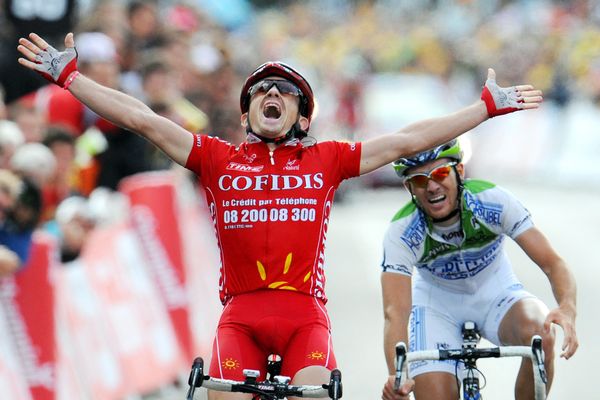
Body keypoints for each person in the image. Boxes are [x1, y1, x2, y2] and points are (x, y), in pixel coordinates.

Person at [17, 32, 543, 400]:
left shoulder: (326, 159)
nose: (273, 94)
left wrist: (484, 108)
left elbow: (407, 140)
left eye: (285, 92)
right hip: (240, 317)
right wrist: (71, 78)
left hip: (304, 319)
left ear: (302, 115)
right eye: (262, 91)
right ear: (245, 113)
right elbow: (143, 120)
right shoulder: (216, 158)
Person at [379, 140, 577, 400]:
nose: (432, 186)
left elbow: (553, 263)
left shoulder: (492, 201)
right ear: (409, 188)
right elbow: (396, 312)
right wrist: (397, 372)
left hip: (496, 292)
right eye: (419, 180)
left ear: (459, 172)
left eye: (440, 173)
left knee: (542, 334)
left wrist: (567, 308)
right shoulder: (402, 232)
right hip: (437, 306)